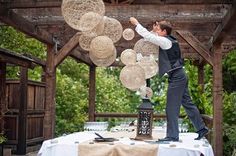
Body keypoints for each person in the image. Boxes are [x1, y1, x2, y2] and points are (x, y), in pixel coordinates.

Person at [129, 17, 209, 141]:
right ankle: (201, 128)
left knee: (171, 108)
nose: (156, 32)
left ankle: (172, 136)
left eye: (158, 30)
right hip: (179, 75)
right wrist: (154, 29)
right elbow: (149, 38)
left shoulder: (166, 42)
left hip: (177, 76)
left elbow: (150, 38)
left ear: (164, 32)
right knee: (188, 103)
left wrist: (137, 24)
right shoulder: (168, 40)